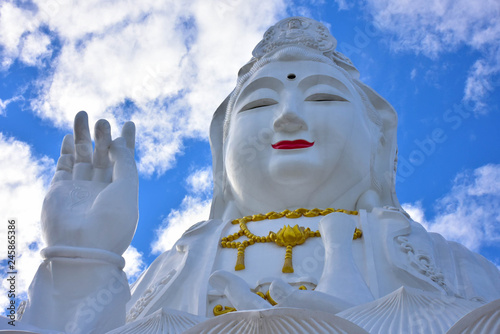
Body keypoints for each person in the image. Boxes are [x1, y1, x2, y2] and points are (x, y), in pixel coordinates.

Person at [16, 17, 500, 334]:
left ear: (379, 139)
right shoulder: (185, 259)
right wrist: (81, 258)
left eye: (324, 97)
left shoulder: (440, 259)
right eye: (260, 103)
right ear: (222, 149)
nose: (286, 116)